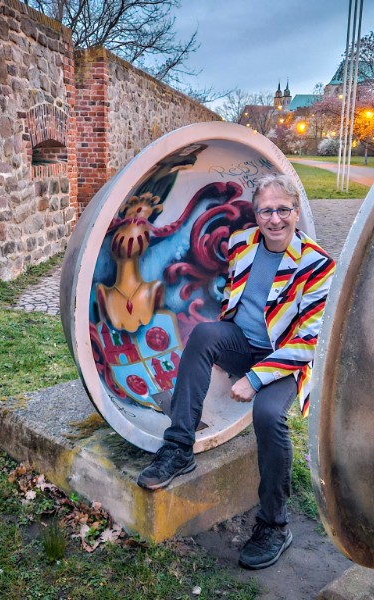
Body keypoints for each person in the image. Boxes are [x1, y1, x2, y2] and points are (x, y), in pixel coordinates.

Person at [137, 173, 335, 570]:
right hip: (242, 343)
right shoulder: (242, 243)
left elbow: (308, 342)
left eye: (283, 209)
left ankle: (275, 525)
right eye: (266, 210)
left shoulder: (318, 264)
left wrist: (255, 378)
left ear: (296, 212)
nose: (275, 219)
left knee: (267, 415)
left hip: (283, 358)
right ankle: (178, 447)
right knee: (205, 335)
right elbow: (234, 294)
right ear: (255, 213)